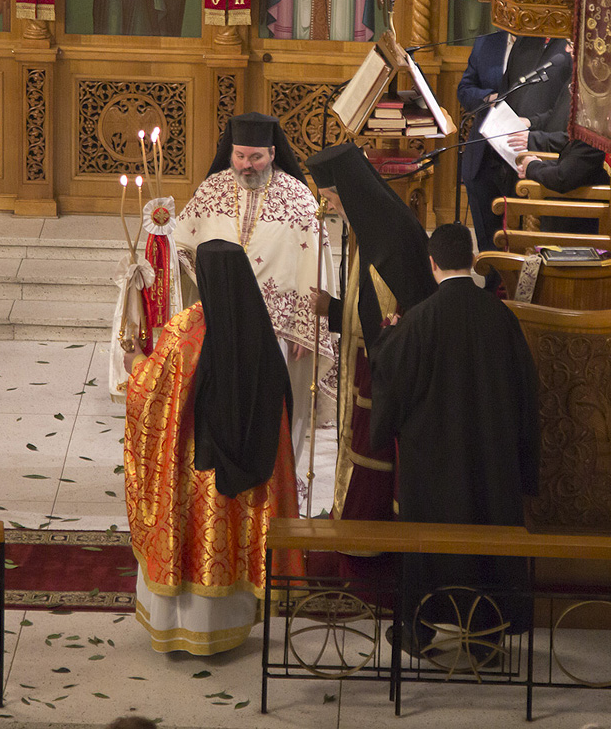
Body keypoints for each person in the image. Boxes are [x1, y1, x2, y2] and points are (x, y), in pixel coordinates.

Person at [123, 240, 302, 655]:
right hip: (246, 481)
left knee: (194, 545)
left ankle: (183, 630)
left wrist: (134, 363)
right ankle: (230, 628)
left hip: (197, 474)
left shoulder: (188, 328)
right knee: (228, 549)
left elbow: (153, 393)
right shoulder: (259, 327)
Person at [369, 223, 539, 655]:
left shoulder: (418, 320)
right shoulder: (502, 317)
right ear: (473, 260)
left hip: (433, 467)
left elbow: (391, 380)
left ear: (432, 264)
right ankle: (486, 636)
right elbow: (527, 391)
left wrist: (388, 334)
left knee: (429, 543)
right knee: (489, 539)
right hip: (492, 461)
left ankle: (420, 628)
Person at [174, 112, 337, 458]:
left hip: (278, 330)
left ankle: (283, 481)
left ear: (273, 154)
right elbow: (181, 246)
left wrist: (308, 330)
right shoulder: (212, 190)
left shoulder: (299, 200)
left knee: (275, 411)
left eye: (256, 157)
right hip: (221, 322)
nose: (247, 165)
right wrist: (159, 239)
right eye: (240, 156)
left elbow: (316, 267)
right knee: (224, 406)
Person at [305, 144, 435, 536]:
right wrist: (333, 308)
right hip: (375, 355)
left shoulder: (390, 237)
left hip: (385, 365)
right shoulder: (373, 224)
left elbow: (388, 315)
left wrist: (333, 310)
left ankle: (365, 532)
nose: (328, 208)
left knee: (372, 446)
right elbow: (370, 305)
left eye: (331, 199)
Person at [458, 33, 572, 259]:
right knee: (489, 235)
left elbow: (560, 115)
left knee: (521, 236)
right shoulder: (503, 42)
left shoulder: (565, 51)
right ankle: (493, 283)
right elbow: (474, 89)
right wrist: (489, 99)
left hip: (536, 155)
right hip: (489, 148)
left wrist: (532, 128)